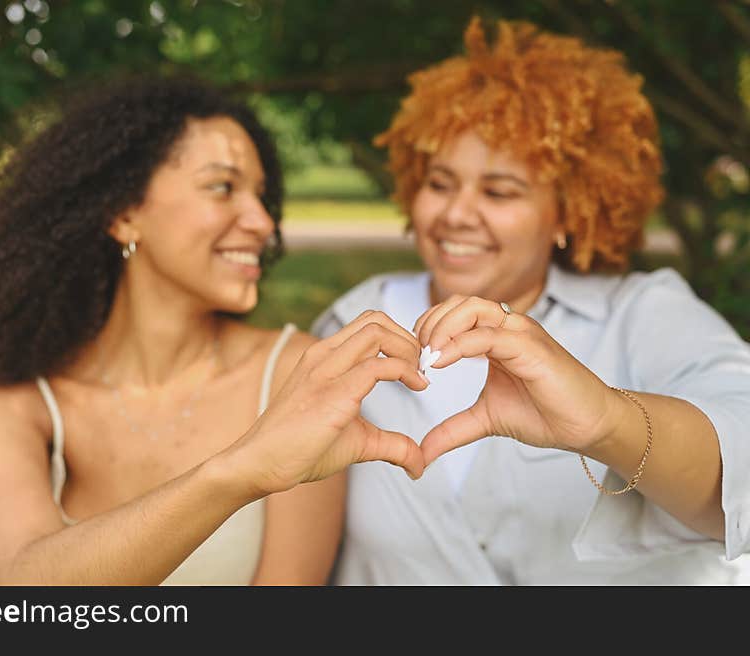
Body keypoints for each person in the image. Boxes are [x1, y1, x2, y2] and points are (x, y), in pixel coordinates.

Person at [0, 76, 428, 585]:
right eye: (222, 187)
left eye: (262, 196)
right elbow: (23, 587)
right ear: (123, 214)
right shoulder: (10, 401)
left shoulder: (297, 376)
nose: (262, 223)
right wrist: (239, 471)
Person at [313, 17, 750, 584]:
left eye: (500, 191)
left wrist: (607, 420)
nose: (457, 214)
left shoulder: (643, 314)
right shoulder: (350, 323)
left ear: (569, 211)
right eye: (440, 183)